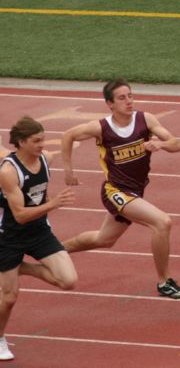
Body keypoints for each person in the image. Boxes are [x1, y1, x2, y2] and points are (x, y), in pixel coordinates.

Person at [60, 79, 180, 299]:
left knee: (104, 239)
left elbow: (176, 144)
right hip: (115, 191)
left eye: (130, 96)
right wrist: (68, 171)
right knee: (162, 222)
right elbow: (68, 135)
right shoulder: (101, 127)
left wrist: (161, 144)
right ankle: (164, 282)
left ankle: (54, 250)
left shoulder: (145, 120)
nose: (129, 101)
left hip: (135, 191)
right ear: (110, 104)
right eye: (122, 98)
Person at [0, 117, 78, 361]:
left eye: (43, 139)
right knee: (10, 298)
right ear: (21, 143)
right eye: (37, 140)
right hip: (10, 237)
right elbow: (21, 215)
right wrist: (53, 204)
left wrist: (70, 162)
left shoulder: (45, 159)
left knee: (68, 280)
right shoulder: (8, 172)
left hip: (39, 232)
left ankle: (21, 268)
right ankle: (0, 338)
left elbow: (60, 148)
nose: (42, 144)